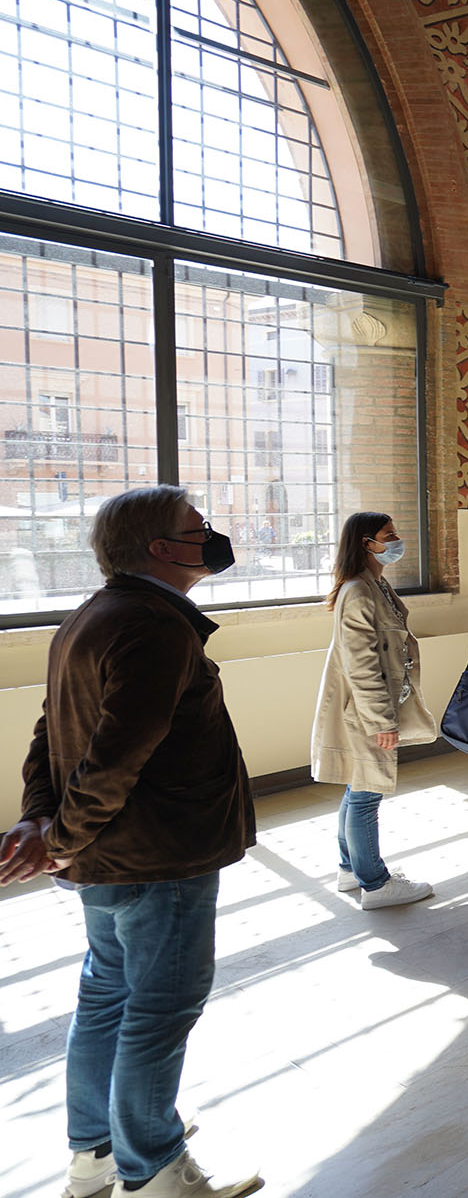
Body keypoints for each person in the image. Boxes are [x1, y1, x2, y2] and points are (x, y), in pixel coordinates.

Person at [0, 486, 262, 1198]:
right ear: (161, 548)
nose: (212, 535)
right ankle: (153, 1170)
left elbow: (51, 728)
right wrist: (59, 835)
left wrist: (40, 819)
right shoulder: (153, 624)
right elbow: (116, 753)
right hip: (157, 856)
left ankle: (96, 1155)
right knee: (161, 1006)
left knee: (109, 995)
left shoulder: (93, 614)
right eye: (198, 527)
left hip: (110, 857)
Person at [310, 511, 435, 910]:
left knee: (358, 784)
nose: (397, 541)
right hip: (365, 712)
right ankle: (375, 884)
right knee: (367, 792)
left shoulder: (373, 584)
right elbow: (361, 665)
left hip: (369, 707)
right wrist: (381, 720)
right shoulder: (358, 592)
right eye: (389, 535)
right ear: (366, 543)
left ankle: (350, 868)